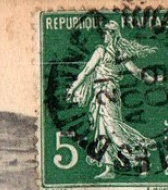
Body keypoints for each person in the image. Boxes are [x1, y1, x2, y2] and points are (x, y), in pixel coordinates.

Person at [67, 20, 160, 179]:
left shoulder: (102, 52)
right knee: (102, 131)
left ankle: (140, 153)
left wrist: (73, 88)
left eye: (106, 33)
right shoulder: (120, 55)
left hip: (106, 94)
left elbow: (87, 71)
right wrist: (153, 79)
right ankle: (109, 169)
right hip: (105, 95)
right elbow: (137, 72)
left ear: (112, 35)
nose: (104, 35)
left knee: (112, 128)